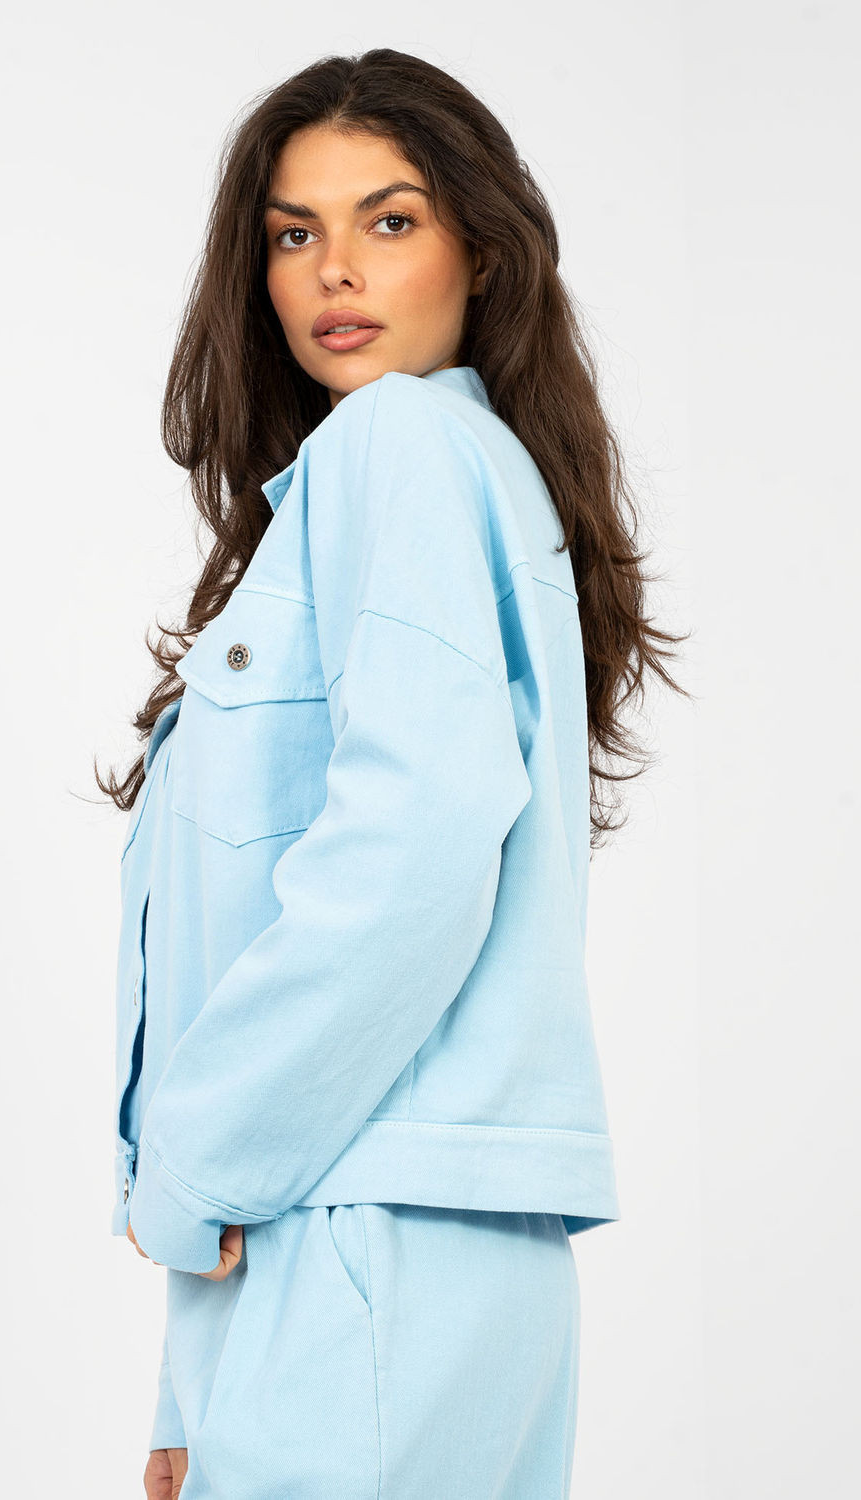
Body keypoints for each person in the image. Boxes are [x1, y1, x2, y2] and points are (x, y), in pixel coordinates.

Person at [95, 47, 688, 1500]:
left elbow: (411, 849)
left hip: (358, 1236)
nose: (335, 270)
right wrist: (191, 1379)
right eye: (294, 232)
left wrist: (192, 1170)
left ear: (483, 249)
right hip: (395, 1247)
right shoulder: (453, 474)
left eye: (392, 219)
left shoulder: (403, 443)